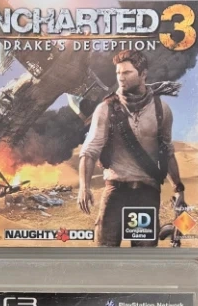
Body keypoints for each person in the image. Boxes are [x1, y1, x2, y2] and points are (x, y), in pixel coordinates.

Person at [77, 51, 185, 247]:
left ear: (143, 74)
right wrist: (84, 188)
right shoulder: (106, 109)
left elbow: (167, 152)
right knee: (105, 251)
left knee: (143, 255)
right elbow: (89, 151)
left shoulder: (161, 110)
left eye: (127, 72)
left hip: (146, 194)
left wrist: (178, 188)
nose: (121, 78)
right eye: (118, 73)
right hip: (115, 192)